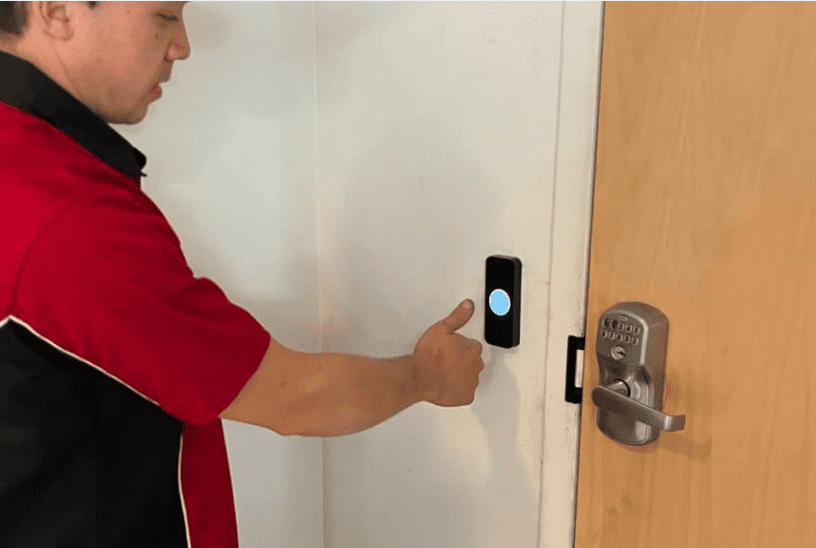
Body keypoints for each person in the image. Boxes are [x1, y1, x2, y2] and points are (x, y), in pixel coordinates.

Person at [0, 2, 485, 546]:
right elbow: (294, 398)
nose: (183, 46)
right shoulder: (72, 221)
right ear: (59, 11)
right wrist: (427, 377)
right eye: (164, 16)